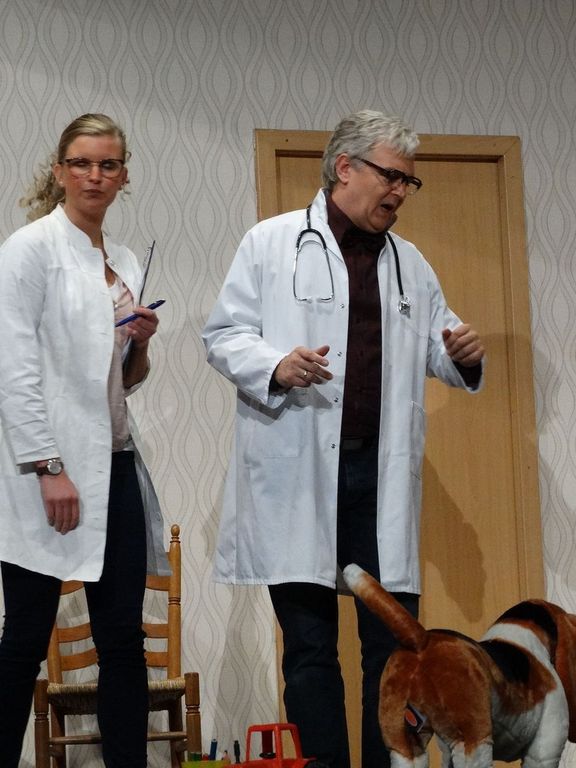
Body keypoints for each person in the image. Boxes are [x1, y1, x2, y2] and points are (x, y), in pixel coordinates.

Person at [203, 109, 485, 768]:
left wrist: (462, 354)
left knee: (392, 649)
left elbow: (441, 348)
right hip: (300, 474)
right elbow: (223, 335)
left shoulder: (411, 265)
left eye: (409, 182)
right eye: (392, 176)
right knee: (309, 650)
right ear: (345, 168)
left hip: (375, 479)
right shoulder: (271, 243)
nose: (400, 192)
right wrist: (276, 365)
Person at [0, 113, 168, 768]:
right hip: (46, 469)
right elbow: (13, 371)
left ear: (124, 176)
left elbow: (123, 380)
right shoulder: (30, 250)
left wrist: (140, 344)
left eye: (108, 164)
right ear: (59, 170)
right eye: (81, 163)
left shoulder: (123, 261)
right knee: (25, 638)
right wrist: (49, 466)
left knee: (123, 639)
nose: (94, 176)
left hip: (115, 463)